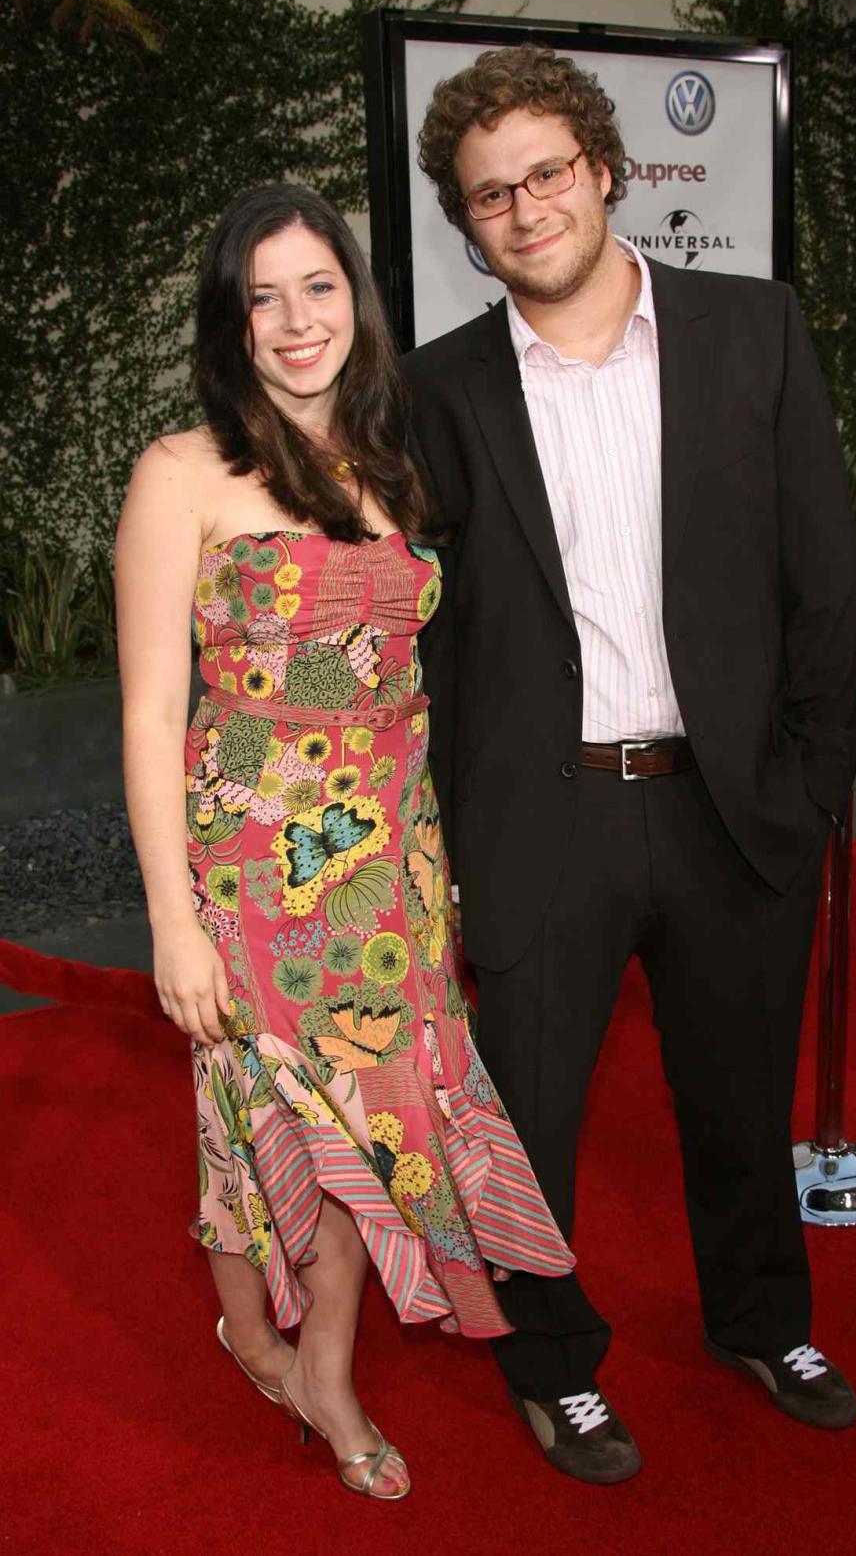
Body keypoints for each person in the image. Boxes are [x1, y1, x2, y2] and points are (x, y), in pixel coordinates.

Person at [407, 44, 856, 1484]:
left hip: (734, 808)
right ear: (467, 226)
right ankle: (555, 1369)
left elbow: (823, 577)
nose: (527, 208)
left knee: (739, 1097)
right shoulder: (439, 390)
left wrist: (809, 790)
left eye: (547, 173)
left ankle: (762, 1322)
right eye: (491, 195)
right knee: (528, 1127)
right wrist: (448, 836)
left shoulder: (752, 330)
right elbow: (432, 633)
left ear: (604, 171)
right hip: (546, 823)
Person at [115, 182, 573, 1503]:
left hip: (395, 848)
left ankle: (314, 1359)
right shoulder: (182, 473)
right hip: (256, 854)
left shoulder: (398, 458)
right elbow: (151, 715)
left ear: (357, 300)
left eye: (318, 286)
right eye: (263, 297)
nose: (296, 320)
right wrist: (173, 919)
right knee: (264, 1107)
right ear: (231, 322)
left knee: (387, 1117)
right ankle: (259, 1334)